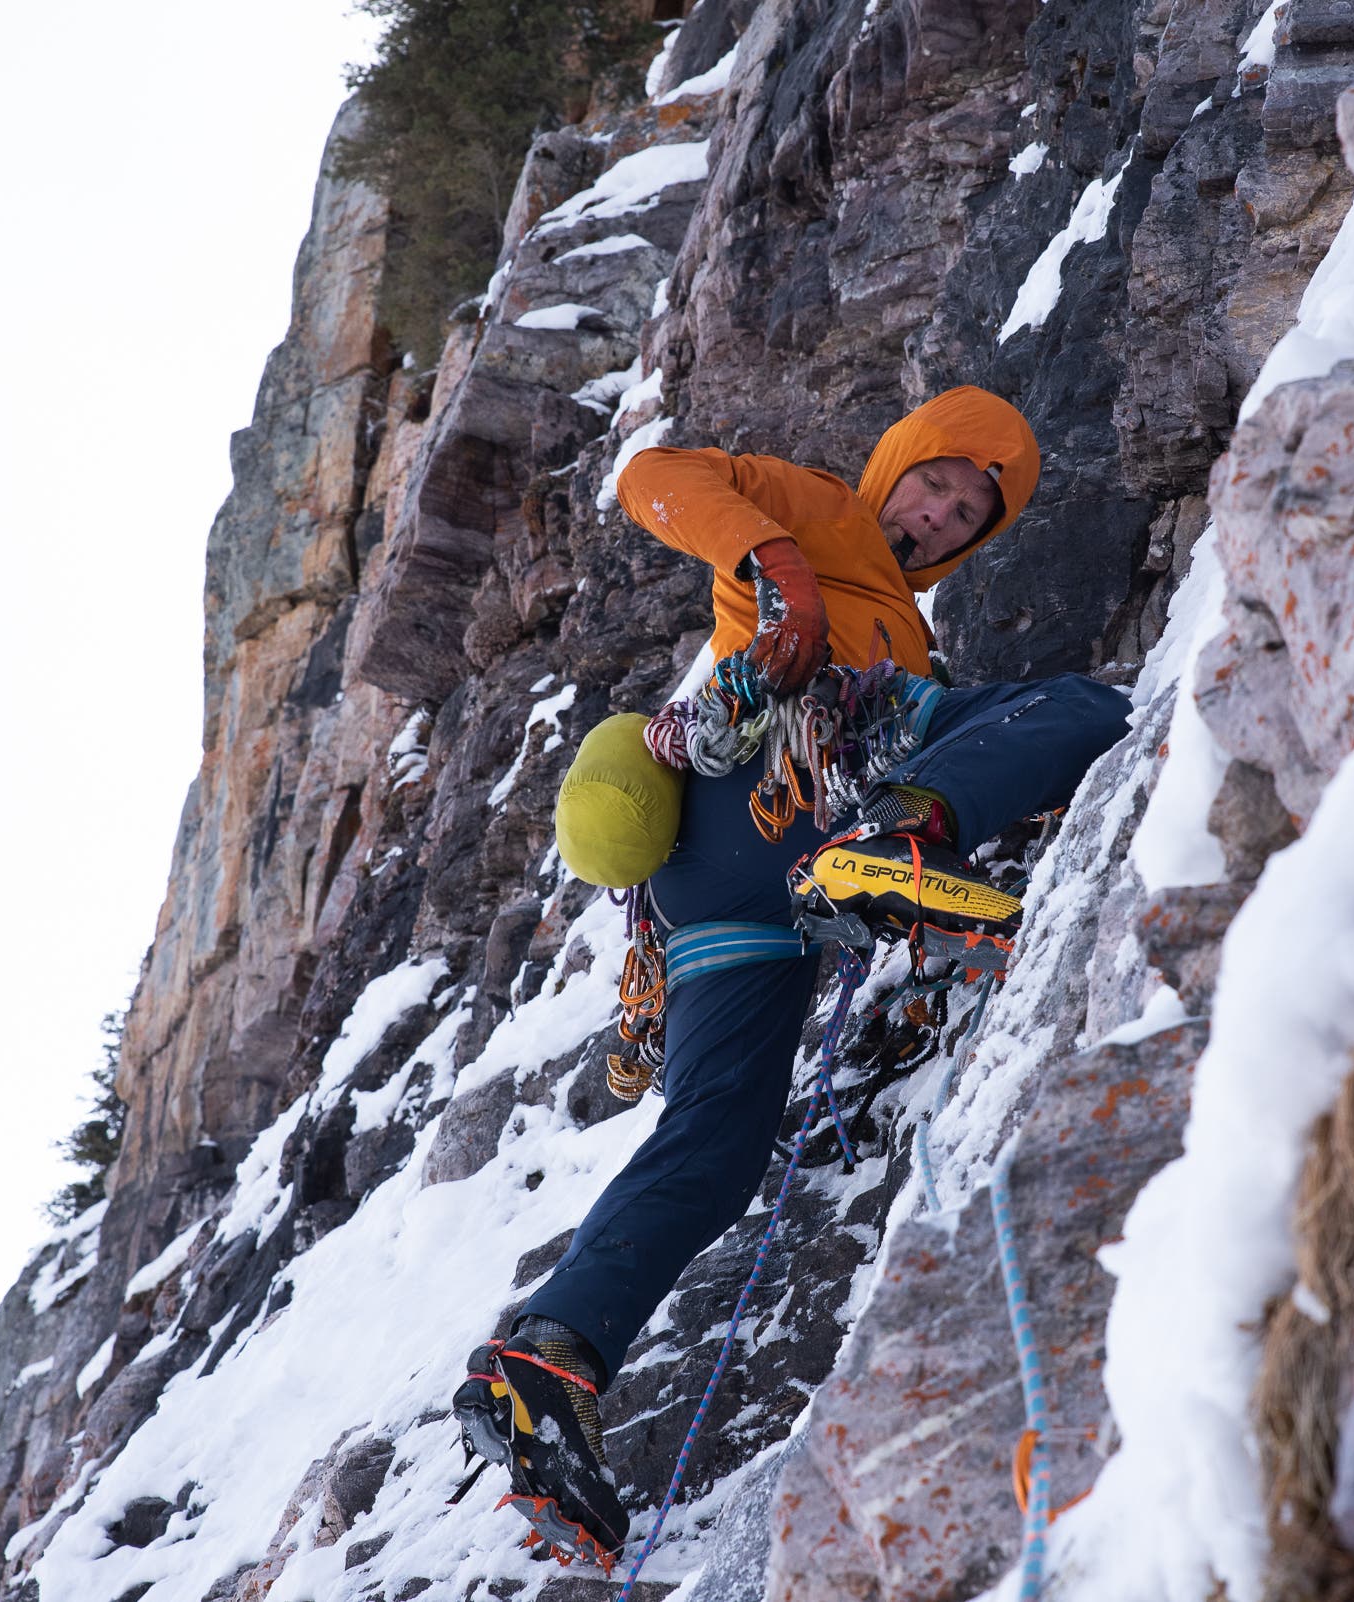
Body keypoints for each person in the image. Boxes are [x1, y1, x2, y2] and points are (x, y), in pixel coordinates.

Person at [452, 386, 1130, 1565]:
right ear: (894, 465)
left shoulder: (908, 629)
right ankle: (902, 837)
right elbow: (650, 477)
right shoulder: (815, 512)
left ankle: (548, 1360)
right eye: (935, 481)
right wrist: (777, 563)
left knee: (716, 1141)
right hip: (784, 783)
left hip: (724, 892)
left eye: (971, 511)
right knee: (1077, 704)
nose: (942, 515)